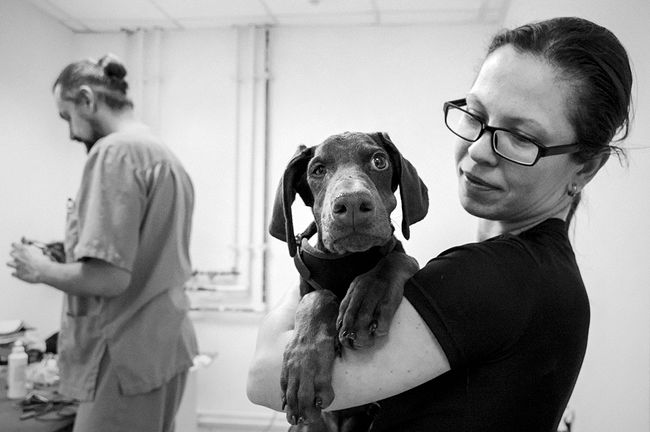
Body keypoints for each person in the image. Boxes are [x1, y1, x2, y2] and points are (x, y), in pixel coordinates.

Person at [246, 16, 633, 431]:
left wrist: (312, 283)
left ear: (587, 165)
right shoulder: (548, 272)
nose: (480, 150)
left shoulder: (499, 278)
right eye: (476, 115)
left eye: (522, 137)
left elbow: (264, 378)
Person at [7, 55, 198, 432]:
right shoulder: (163, 155)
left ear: (86, 99)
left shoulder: (114, 152)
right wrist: (71, 252)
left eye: (67, 117)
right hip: (161, 348)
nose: (70, 132)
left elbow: (110, 279)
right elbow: (141, 252)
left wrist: (40, 269)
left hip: (123, 357)